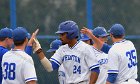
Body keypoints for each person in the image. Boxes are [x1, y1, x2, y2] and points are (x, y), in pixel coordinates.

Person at [33, 20, 100, 84]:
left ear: (71, 34)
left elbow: (95, 70)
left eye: (62, 34)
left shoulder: (86, 48)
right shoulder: (61, 49)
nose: (60, 37)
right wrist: (39, 51)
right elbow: (50, 68)